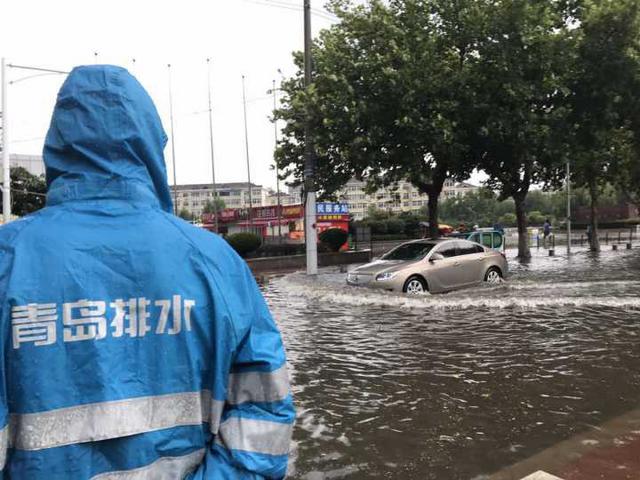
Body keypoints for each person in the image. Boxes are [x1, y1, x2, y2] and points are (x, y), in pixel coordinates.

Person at [0, 65, 294, 479]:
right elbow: (264, 418)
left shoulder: (9, 259)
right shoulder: (216, 262)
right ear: (151, 146)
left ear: (59, 145)